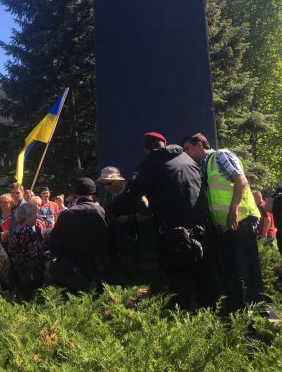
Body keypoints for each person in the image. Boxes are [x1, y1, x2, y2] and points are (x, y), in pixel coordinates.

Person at [110, 132, 217, 309]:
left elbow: (129, 197)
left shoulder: (149, 165)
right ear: (165, 144)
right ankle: (210, 314)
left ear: (146, 149)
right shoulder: (188, 160)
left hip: (175, 234)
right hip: (202, 228)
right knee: (205, 276)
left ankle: (182, 317)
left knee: (179, 278)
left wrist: (105, 213)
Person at [182, 133, 268, 313]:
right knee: (232, 271)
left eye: (187, 149)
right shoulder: (204, 165)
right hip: (224, 226)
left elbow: (241, 181)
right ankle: (239, 313)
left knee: (248, 268)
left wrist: (233, 210)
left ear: (199, 144)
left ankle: (261, 311)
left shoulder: (221, 155)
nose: (186, 154)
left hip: (241, 220)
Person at [50, 178, 118, 293]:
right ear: (94, 193)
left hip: (73, 275)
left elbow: (54, 246)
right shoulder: (104, 212)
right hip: (101, 273)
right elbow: (120, 241)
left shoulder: (67, 214)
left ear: (75, 194)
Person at [8, 202, 45, 301]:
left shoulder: (18, 229)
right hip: (29, 273)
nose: (36, 217)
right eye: (34, 214)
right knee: (31, 300)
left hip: (20, 271)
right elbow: (35, 254)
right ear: (27, 216)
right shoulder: (27, 231)